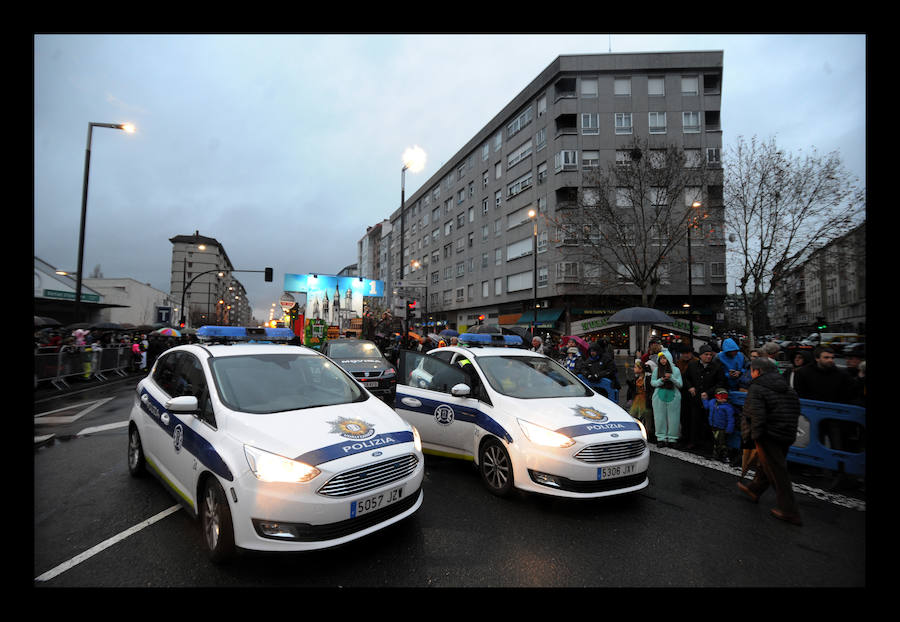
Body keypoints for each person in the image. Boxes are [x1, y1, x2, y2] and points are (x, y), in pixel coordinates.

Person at [737, 357, 803, 526]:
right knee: (769, 466)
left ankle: (789, 510)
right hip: (787, 433)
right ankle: (754, 489)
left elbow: (756, 414)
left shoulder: (757, 387)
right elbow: (796, 408)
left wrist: (754, 436)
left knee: (777, 471)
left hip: (768, 435)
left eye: (752, 370)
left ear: (757, 371)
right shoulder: (786, 386)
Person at [684, 344, 727, 451]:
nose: (708, 356)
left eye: (710, 354)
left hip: (710, 400)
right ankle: (693, 442)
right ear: (700, 355)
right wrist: (690, 387)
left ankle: (708, 443)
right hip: (696, 399)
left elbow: (721, 382)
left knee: (708, 421)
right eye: (706, 354)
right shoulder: (692, 365)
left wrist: (709, 392)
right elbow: (686, 378)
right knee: (694, 421)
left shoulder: (717, 367)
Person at [650, 350, 682, 448]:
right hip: (659, 397)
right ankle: (661, 438)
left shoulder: (676, 370)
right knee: (659, 418)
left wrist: (671, 377)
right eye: (661, 359)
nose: (663, 361)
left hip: (674, 397)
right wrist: (661, 380)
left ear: (669, 359)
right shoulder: (656, 370)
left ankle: (673, 438)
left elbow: (680, 384)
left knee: (674, 418)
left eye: (664, 358)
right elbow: (653, 383)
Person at [704, 388, 736, 463]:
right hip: (713, 426)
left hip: (722, 428)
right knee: (715, 441)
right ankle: (715, 454)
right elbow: (706, 407)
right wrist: (704, 400)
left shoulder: (728, 407)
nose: (722, 398)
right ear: (716, 396)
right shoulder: (712, 402)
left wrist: (729, 428)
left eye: (724, 396)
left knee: (722, 442)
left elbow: (731, 419)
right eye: (720, 396)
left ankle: (724, 456)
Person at [674, 344, 697, 448]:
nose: (686, 355)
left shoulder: (696, 362)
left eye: (688, 353)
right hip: (681, 392)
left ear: (691, 353)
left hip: (693, 392)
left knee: (692, 418)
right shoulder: (679, 362)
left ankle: (692, 440)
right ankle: (684, 437)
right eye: (683, 353)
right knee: (683, 416)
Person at [629, 360, 653, 438]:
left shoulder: (647, 378)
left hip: (644, 398)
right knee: (634, 415)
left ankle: (646, 433)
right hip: (637, 398)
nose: (634, 369)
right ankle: (635, 431)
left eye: (636, 367)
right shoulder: (636, 378)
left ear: (641, 369)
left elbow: (649, 389)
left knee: (646, 416)